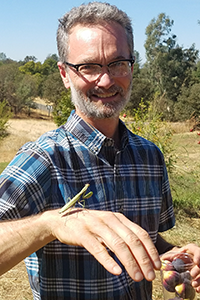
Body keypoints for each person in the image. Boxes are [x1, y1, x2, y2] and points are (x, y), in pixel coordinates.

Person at [0, 2, 200, 300]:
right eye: (89, 66)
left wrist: (179, 256)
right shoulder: (43, 158)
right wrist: (49, 224)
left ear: (131, 67)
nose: (106, 81)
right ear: (65, 74)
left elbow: (151, 238)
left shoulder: (150, 157)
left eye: (118, 63)